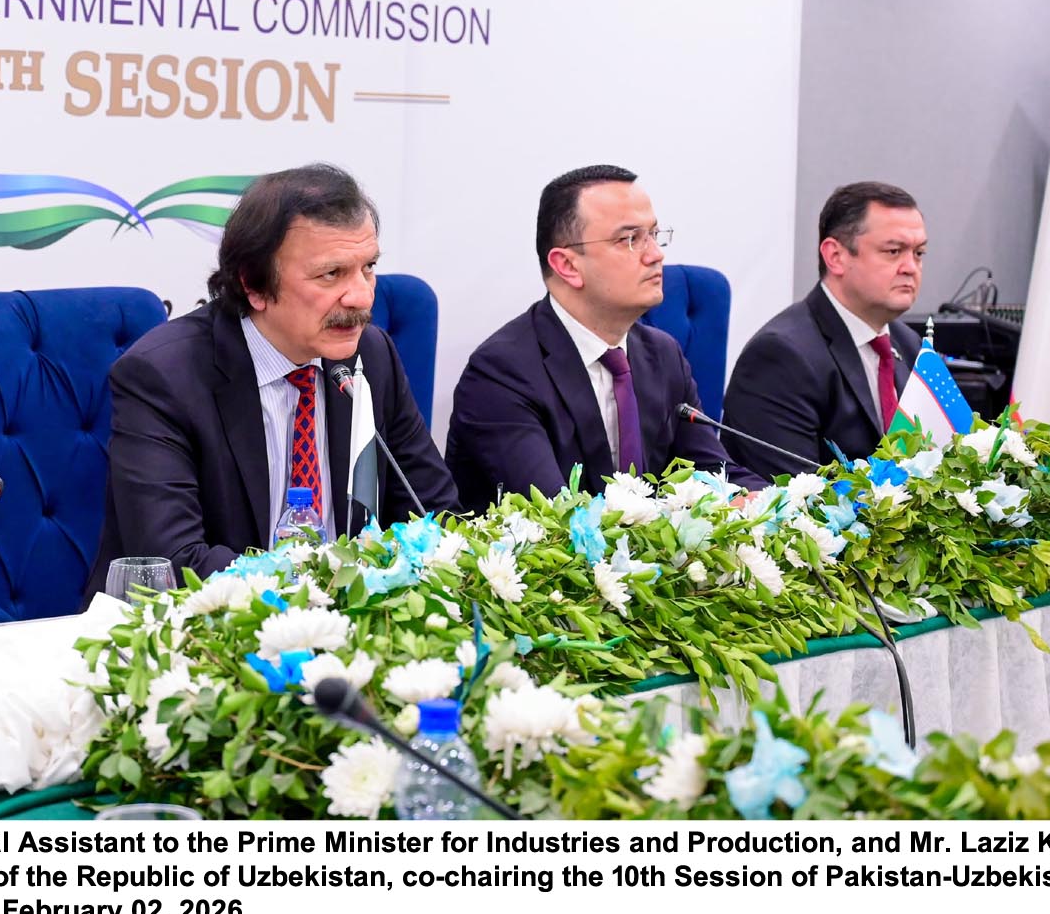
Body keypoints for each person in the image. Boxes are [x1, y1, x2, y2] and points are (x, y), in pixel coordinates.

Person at [87, 164, 458, 596]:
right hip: (202, 624)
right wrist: (322, 591)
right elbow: (175, 564)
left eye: (368, 267)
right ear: (255, 285)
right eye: (331, 274)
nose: (361, 296)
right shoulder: (164, 377)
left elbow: (434, 515)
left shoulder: (371, 356)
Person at [445, 165, 759, 512]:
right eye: (630, 239)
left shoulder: (662, 354)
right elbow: (558, 518)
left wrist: (775, 504)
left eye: (654, 235)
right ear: (567, 265)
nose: (656, 255)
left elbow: (714, 475)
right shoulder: (502, 373)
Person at [721, 181, 926, 478]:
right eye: (893, 251)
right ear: (835, 256)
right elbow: (794, 492)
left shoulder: (909, 344)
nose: (910, 267)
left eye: (919, 253)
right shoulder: (781, 356)